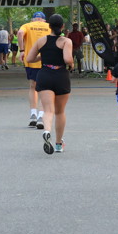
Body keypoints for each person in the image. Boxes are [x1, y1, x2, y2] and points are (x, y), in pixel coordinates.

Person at [25, 13, 73, 153]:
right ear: (62, 26)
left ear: (49, 26)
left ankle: (46, 130)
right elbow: (67, 59)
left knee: (48, 110)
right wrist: (72, 64)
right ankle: (58, 143)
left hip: (45, 74)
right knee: (60, 112)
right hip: (61, 76)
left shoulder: (41, 41)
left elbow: (29, 58)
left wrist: (43, 57)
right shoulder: (66, 41)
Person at [17, 12, 52, 129]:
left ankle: (33, 114)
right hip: (46, 59)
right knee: (45, 88)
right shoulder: (49, 26)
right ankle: (41, 116)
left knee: (33, 86)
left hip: (31, 59)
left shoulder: (27, 25)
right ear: (44, 20)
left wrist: (22, 50)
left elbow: (20, 33)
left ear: (33, 19)